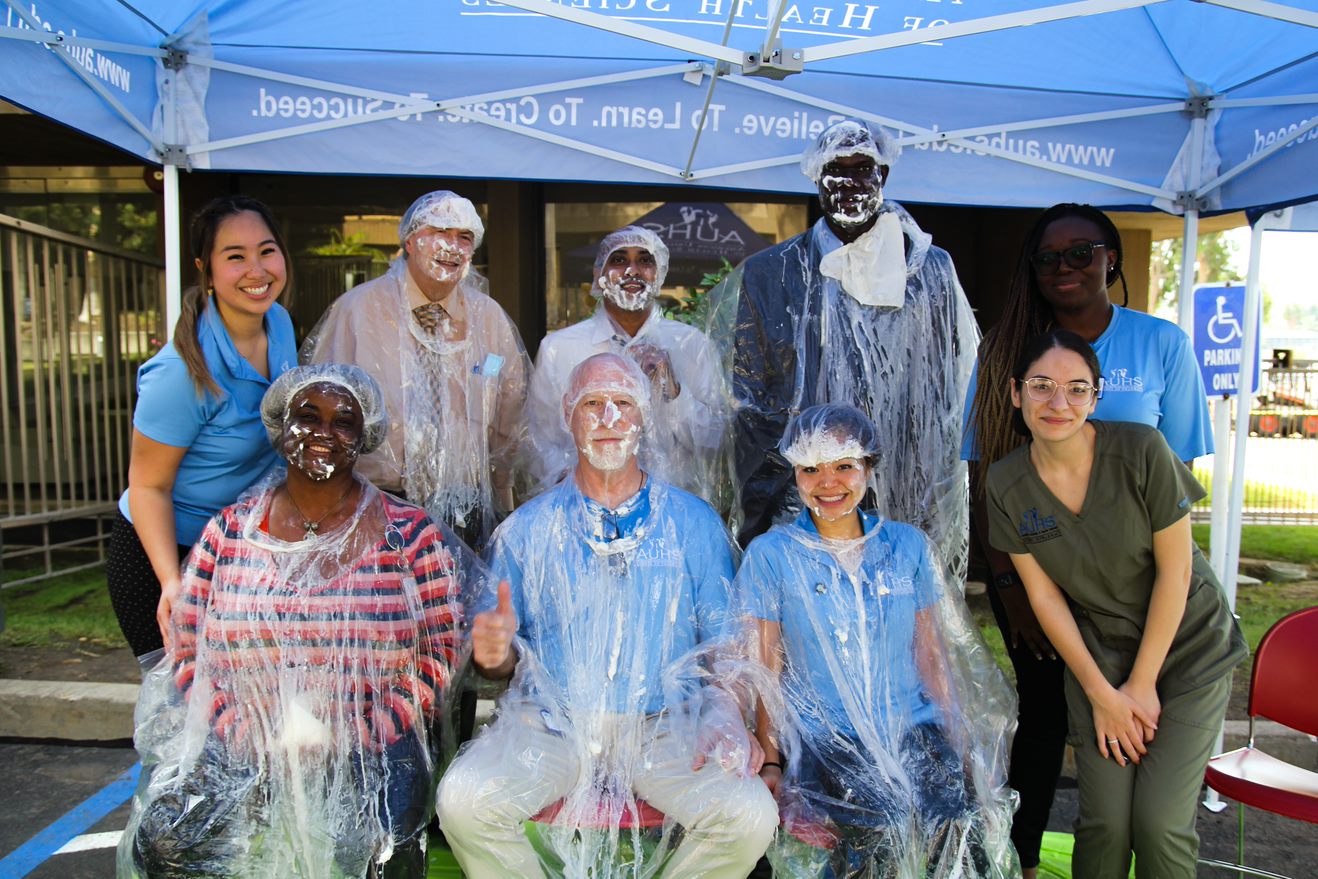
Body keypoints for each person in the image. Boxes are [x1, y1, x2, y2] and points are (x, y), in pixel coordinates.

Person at [436, 353, 778, 879]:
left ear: (644, 418)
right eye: (593, 404)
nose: (609, 418)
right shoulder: (527, 531)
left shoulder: (693, 524)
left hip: (665, 726)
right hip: (553, 724)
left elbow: (726, 645)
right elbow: (499, 666)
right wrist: (494, 654)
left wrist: (726, 714)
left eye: (624, 404)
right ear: (569, 416)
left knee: (750, 817)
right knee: (463, 803)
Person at [120, 364, 469, 879]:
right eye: (308, 416)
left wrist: (364, 732)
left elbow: (441, 649)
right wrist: (242, 730)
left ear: (364, 435)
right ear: (281, 426)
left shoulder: (410, 534)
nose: (324, 432)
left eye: (343, 421)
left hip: (373, 743)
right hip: (241, 740)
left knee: (385, 849)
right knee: (170, 840)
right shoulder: (230, 532)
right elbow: (188, 645)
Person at [961, 203, 1213, 878]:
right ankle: (1019, 862)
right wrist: (1010, 591)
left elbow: (1179, 469)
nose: (1065, 267)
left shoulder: (1161, 344)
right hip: (1048, 590)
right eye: (1049, 257)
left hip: (1146, 591)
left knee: (1151, 796)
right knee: (1043, 729)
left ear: (1112, 257)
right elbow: (984, 474)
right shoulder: (1010, 353)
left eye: (1082, 252)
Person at [985, 331, 1246, 879]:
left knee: (1158, 824)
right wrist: (1103, 693)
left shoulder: (1141, 451)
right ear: (1015, 393)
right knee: (1105, 822)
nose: (1059, 403)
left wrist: (1143, 683)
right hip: (1100, 655)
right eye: (1042, 386)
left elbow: (1177, 573)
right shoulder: (1006, 483)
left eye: (1077, 388)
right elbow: (1044, 597)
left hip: (1188, 649)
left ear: (1096, 397)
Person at [736, 404, 1018, 879]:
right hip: (828, 739)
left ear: (868, 468)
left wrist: (962, 747)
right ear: (796, 474)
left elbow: (932, 657)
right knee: (885, 825)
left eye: (844, 466)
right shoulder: (772, 555)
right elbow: (765, 668)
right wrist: (771, 760)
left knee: (959, 824)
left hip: (913, 728)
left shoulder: (906, 547)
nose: (829, 483)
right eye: (812, 469)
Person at [713, 119, 976, 578]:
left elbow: (950, 395)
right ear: (817, 179)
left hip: (907, 491)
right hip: (806, 492)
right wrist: (763, 510)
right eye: (837, 171)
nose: (850, 183)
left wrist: (936, 497)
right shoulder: (771, 273)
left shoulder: (930, 272)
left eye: (863, 169)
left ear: (884, 176)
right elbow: (752, 404)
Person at [106, 195, 298, 661]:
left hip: (238, 552)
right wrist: (174, 583)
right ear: (205, 269)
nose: (257, 270)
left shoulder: (279, 322)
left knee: (246, 709)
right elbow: (148, 486)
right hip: (165, 554)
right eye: (235, 257)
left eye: (266, 251)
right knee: (180, 716)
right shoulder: (180, 373)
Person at [302, 190, 529, 550]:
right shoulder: (358, 311)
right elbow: (320, 407)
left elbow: (509, 409)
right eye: (441, 231)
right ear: (410, 239)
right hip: (374, 502)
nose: (453, 246)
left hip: (465, 507)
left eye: (464, 237)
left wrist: (501, 495)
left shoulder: (490, 320)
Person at [525, 225, 728, 503]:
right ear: (599, 273)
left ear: (659, 273)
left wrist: (675, 392)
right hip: (582, 504)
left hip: (672, 507)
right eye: (619, 260)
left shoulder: (691, 345)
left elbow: (715, 441)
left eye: (645, 260)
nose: (632, 271)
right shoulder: (559, 348)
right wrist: (576, 484)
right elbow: (538, 438)